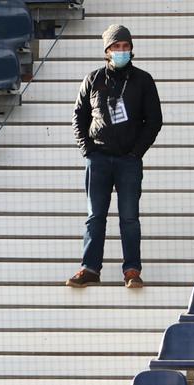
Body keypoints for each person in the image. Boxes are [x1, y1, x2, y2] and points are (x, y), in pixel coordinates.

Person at [67, 24, 163, 288]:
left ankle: (132, 269)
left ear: (131, 49)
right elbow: (78, 117)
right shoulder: (93, 79)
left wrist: (136, 153)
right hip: (98, 158)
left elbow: (154, 120)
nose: (122, 51)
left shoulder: (143, 80)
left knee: (129, 217)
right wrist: (87, 149)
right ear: (107, 51)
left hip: (128, 161)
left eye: (126, 46)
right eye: (116, 47)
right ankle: (90, 269)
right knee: (95, 216)